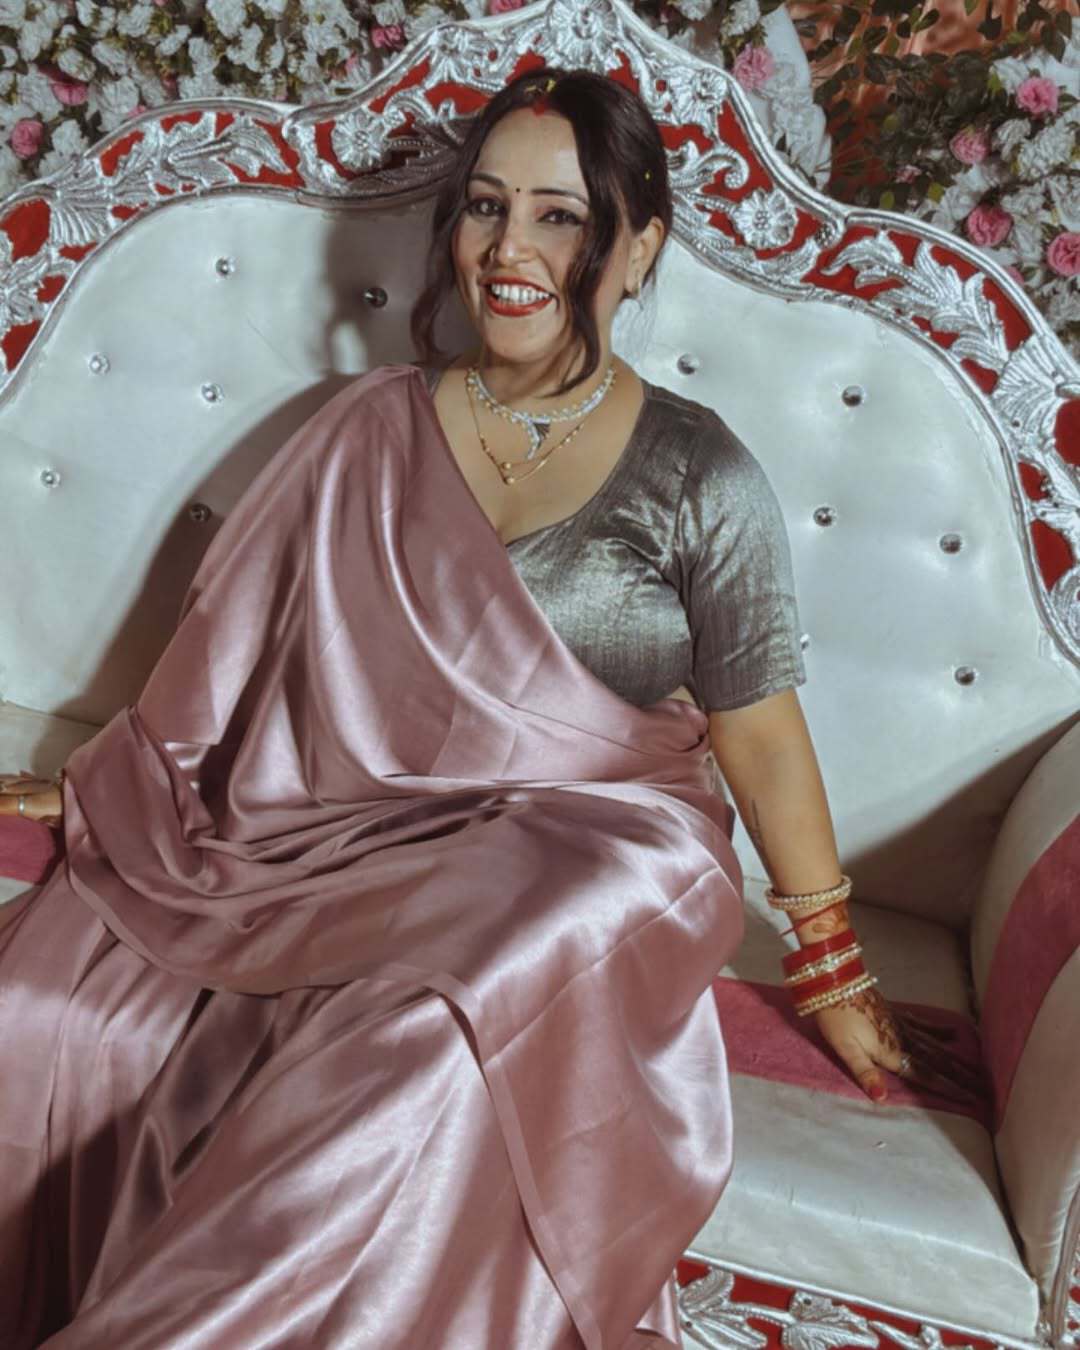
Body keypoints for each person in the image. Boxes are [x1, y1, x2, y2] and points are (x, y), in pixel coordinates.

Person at [0, 67, 975, 1349]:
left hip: (605, 847)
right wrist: (125, 772)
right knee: (51, 1005)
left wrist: (831, 962)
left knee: (434, 1015)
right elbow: (231, 636)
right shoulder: (366, 429)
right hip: (366, 832)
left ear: (639, 248)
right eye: (486, 207)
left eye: (561, 217)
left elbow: (760, 730)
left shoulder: (700, 472)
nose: (510, 250)